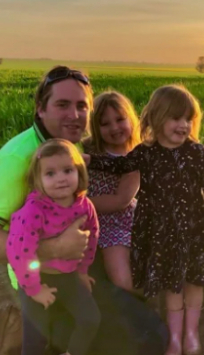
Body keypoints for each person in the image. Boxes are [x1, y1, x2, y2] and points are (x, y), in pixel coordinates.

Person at [0, 66, 167, 355]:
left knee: (142, 324)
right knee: (147, 338)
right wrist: (56, 247)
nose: (74, 114)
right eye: (62, 105)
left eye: (82, 105)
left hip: (78, 263)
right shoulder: (17, 158)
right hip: (42, 276)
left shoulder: (70, 148)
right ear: (40, 109)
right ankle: (25, 329)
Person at [86, 84, 204, 355]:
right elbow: (119, 165)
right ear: (156, 118)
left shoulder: (197, 153)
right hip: (161, 232)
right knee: (172, 285)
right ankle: (174, 339)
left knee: (194, 282)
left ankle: (191, 334)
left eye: (188, 119)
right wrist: (88, 160)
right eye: (176, 118)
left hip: (196, 230)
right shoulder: (145, 153)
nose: (184, 125)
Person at [8, 138, 100, 355]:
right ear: (38, 179)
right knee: (36, 337)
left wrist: (82, 271)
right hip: (36, 277)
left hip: (68, 275)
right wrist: (34, 290)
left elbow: (91, 238)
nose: (61, 179)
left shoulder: (85, 206)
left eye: (67, 170)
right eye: (50, 174)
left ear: (79, 172)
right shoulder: (33, 211)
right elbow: (19, 252)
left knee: (90, 319)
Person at [83, 91, 141, 293]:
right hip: (84, 218)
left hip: (116, 221)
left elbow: (121, 200)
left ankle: (144, 302)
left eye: (120, 119)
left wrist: (78, 205)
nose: (114, 128)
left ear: (131, 120)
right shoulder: (88, 149)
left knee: (121, 279)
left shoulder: (136, 156)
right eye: (105, 123)